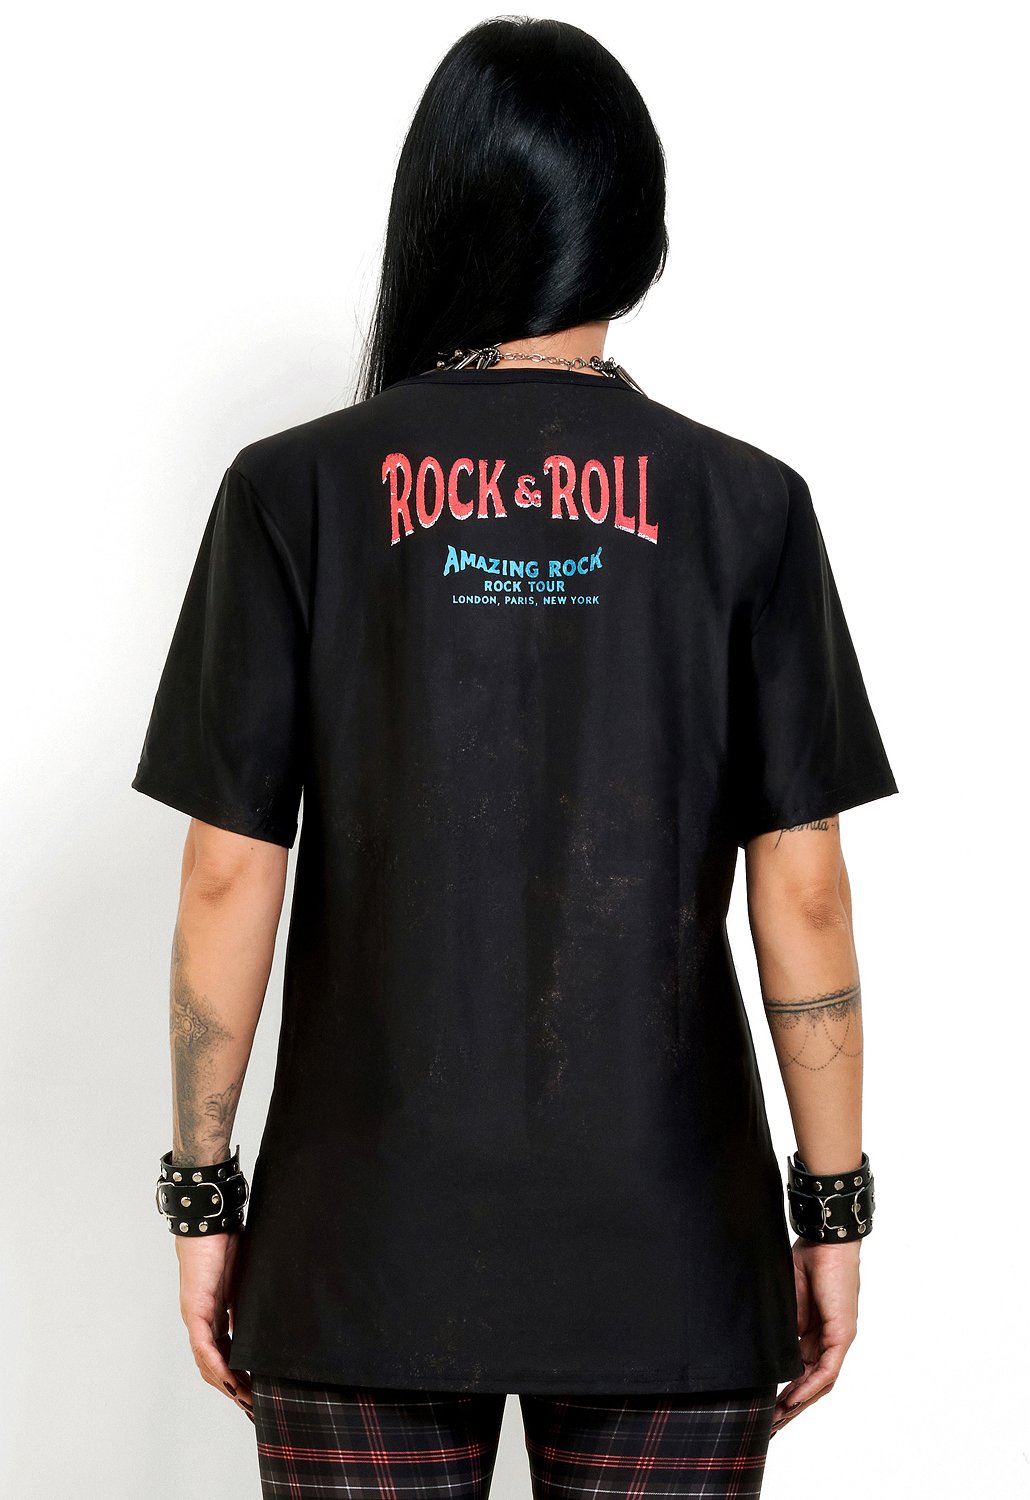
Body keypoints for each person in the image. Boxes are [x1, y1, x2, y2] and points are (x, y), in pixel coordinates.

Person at [134, 16, 898, 1498]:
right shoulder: (746, 506)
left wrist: (203, 1195)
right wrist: (831, 1210)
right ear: (633, 230)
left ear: (439, 213)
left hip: (361, 1251)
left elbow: (226, 877)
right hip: (672, 1258)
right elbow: (804, 894)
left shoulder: (294, 491)